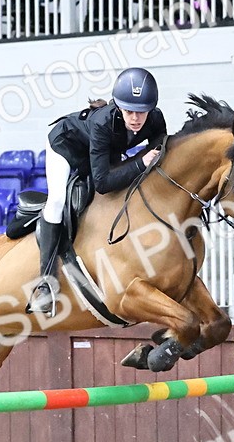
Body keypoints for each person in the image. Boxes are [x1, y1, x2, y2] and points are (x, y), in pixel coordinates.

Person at [31, 67, 167, 316]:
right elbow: (103, 182)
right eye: (128, 111)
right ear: (118, 106)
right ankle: (45, 284)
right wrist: (140, 163)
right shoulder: (103, 122)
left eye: (141, 111)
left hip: (102, 152)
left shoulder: (155, 118)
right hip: (65, 146)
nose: (135, 118)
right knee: (57, 200)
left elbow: (161, 147)